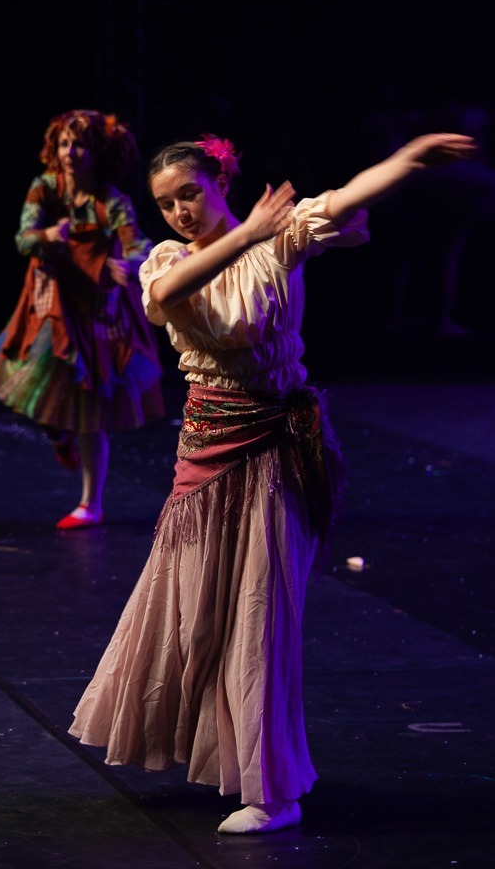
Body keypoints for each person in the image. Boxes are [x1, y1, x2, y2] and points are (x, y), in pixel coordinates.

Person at [68, 130, 477, 832]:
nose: (179, 213)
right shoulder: (165, 258)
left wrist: (407, 161)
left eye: (190, 194)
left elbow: (345, 198)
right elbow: (165, 294)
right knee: (190, 613)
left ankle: (272, 791)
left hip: (275, 453)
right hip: (205, 454)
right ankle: (191, 751)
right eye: (166, 203)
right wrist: (245, 231)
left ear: (221, 182)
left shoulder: (277, 241)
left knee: (259, 618)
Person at [0, 108, 165, 529]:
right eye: (64, 143)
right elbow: (23, 239)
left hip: (94, 311)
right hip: (51, 302)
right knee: (36, 379)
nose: (70, 152)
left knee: (90, 407)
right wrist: (49, 236)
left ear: (97, 151)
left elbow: (138, 243)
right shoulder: (46, 188)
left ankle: (91, 503)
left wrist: (133, 263)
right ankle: (57, 434)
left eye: (79, 144)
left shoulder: (112, 202)